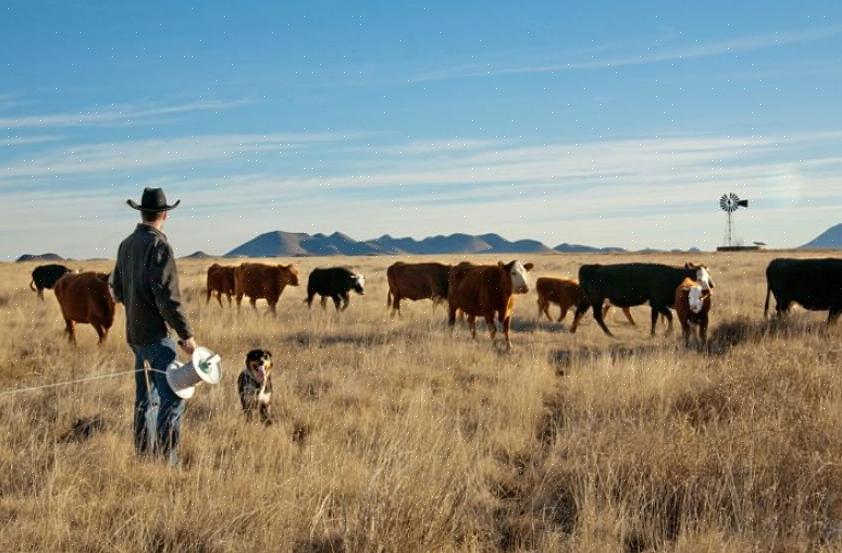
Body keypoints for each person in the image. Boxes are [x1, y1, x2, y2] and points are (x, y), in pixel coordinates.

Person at [110, 187, 197, 465]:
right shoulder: (159, 246)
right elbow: (168, 298)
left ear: (142, 212)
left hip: (135, 335)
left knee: (145, 399)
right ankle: (166, 462)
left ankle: (144, 455)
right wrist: (186, 336)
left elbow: (118, 290)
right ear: (165, 214)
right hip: (157, 337)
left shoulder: (125, 244)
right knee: (173, 396)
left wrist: (137, 309)